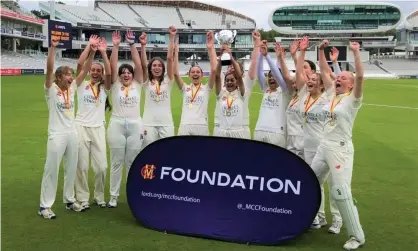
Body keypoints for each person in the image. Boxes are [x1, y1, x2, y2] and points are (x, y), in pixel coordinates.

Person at [312, 40, 365, 250]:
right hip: (324, 146)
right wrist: (322, 51)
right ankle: (313, 217)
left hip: (340, 149)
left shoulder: (353, 100)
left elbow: (359, 76)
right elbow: (324, 71)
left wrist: (355, 52)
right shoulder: (332, 95)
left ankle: (357, 236)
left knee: (340, 192)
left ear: (351, 85)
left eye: (343, 78)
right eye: (338, 77)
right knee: (309, 178)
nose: (338, 79)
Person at [38, 38, 97, 219]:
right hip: (56, 134)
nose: (72, 77)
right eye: (68, 74)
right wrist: (52, 49)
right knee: (52, 169)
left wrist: (92, 51)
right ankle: (45, 206)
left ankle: (69, 200)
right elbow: (48, 69)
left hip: (72, 133)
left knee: (71, 168)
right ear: (59, 77)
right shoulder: (51, 89)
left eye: (72, 74)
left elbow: (85, 69)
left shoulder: (71, 88)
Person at [297, 39, 342, 231]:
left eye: (314, 80)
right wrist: (301, 52)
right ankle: (319, 216)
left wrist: (322, 52)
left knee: (334, 184)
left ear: (322, 85)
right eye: (309, 79)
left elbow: (326, 74)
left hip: (326, 146)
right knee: (315, 183)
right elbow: (300, 72)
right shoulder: (303, 96)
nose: (309, 81)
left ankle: (338, 219)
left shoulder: (329, 96)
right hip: (308, 146)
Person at [107, 30, 145, 208]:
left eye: (128, 72)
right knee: (116, 162)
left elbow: (139, 65)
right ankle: (113, 196)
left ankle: (131, 195)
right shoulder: (115, 85)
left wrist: (132, 44)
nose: (126, 74)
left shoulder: (138, 84)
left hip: (136, 125)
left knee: (131, 161)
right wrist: (115, 46)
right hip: (117, 124)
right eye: (123, 73)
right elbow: (113, 68)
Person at [74, 37, 112, 210]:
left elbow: (110, 73)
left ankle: (98, 196)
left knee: (102, 167)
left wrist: (103, 53)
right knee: (81, 166)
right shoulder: (81, 85)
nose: (96, 72)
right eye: (94, 70)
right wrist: (92, 49)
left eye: (99, 70)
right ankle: (83, 198)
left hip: (98, 128)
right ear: (90, 72)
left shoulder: (105, 87)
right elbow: (82, 65)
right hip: (81, 127)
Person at [213, 31, 260, 138]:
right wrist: (222, 55)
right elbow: (216, 74)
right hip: (222, 128)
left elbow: (250, 66)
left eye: (234, 68)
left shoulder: (243, 87)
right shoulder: (222, 89)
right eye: (230, 67)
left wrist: (257, 45)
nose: (231, 69)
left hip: (240, 129)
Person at [139, 26, 176, 148]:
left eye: (159, 66)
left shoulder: (168, 80)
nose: (156, 67)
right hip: (148, 123)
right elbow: (143, 65)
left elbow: (170, 59)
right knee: (148, 152)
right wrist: (143, 46)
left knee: (168, 152)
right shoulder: (146, 82)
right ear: (151, 68)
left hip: (166, 123)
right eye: (154, 65)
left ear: (163, 68)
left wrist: (171, 38)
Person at [282, 37, 316, 160]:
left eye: (305, 67)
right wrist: (289, 56)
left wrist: (300, 53)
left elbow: (299, 74)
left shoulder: (310, 90)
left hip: (303, 137)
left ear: (313, 72)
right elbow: (288, 76)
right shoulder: (295, 94)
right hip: (291, 136)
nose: (302, 69)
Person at [174, 32, 215, 135]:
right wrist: (176, 52)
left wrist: (210, 48)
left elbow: (214, 71)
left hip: (201, 126)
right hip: (185, 126)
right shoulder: (185, 88)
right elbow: (175, 74)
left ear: (202, 75)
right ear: (189, 75)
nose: (195, 74)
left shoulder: (206, 89)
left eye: (198, 72)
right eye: (193, 72)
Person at [254, 42, 291, 147]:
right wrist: (261, 54)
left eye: (273, 76)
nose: (271, 78)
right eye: (269, 76)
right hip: (259, 130)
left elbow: (277, 74)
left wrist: (267, 56)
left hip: (277, 133)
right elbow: (259, 72)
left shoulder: (285, 91)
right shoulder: (265, 89)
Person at [213, 48, 246, 138]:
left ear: (237, 82)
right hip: (222, 132)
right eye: (227, 80)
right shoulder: (221, 93)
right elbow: (217, 76)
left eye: (232, 80)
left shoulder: (240, 93)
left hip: (237, 132)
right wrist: (220, 60)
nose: (229, 82)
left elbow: (239, 76)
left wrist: (231, 58)